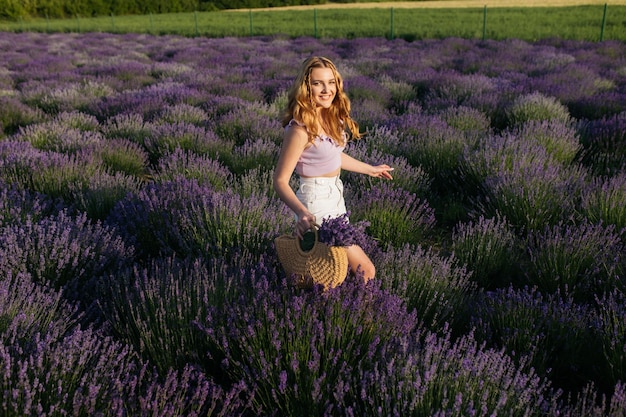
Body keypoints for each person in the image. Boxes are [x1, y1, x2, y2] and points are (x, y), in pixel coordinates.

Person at [273, 56, 394, 282]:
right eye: (318, 83)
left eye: (331, 82)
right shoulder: (299, 130)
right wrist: (302, 212)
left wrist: (370, 169)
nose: (326, 89)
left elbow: (333, 156)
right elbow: (280, 180)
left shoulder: (331, 118)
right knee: (364, 270)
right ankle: (361, 315)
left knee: (332, 274)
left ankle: (327, 312)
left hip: (335, 197)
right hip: (315, 201)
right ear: (306, 87)